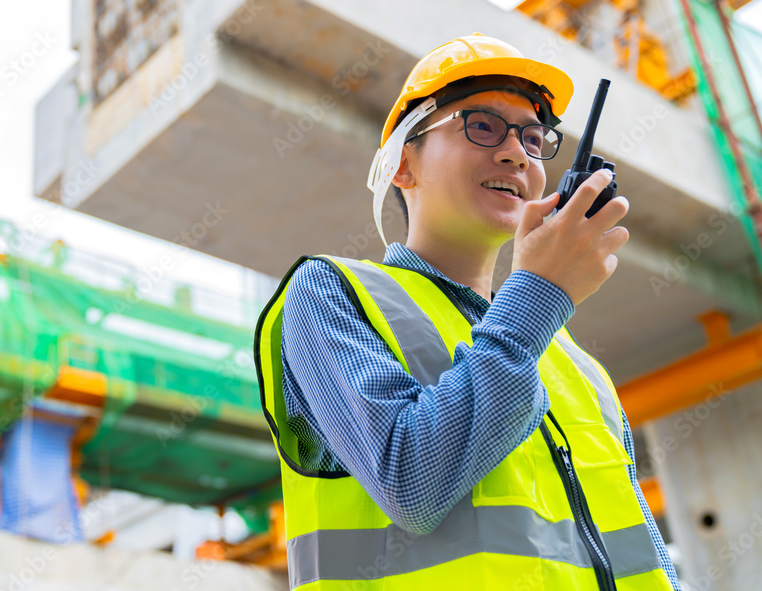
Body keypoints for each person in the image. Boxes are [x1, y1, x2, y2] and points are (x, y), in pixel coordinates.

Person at [255, 33, 680, 590]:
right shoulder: (330, 293)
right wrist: (538, 293)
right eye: (481, 125)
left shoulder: (573, 363)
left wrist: (537, 303)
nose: (516, 153)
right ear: (404, 165)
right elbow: (411, 481)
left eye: (534, 138)